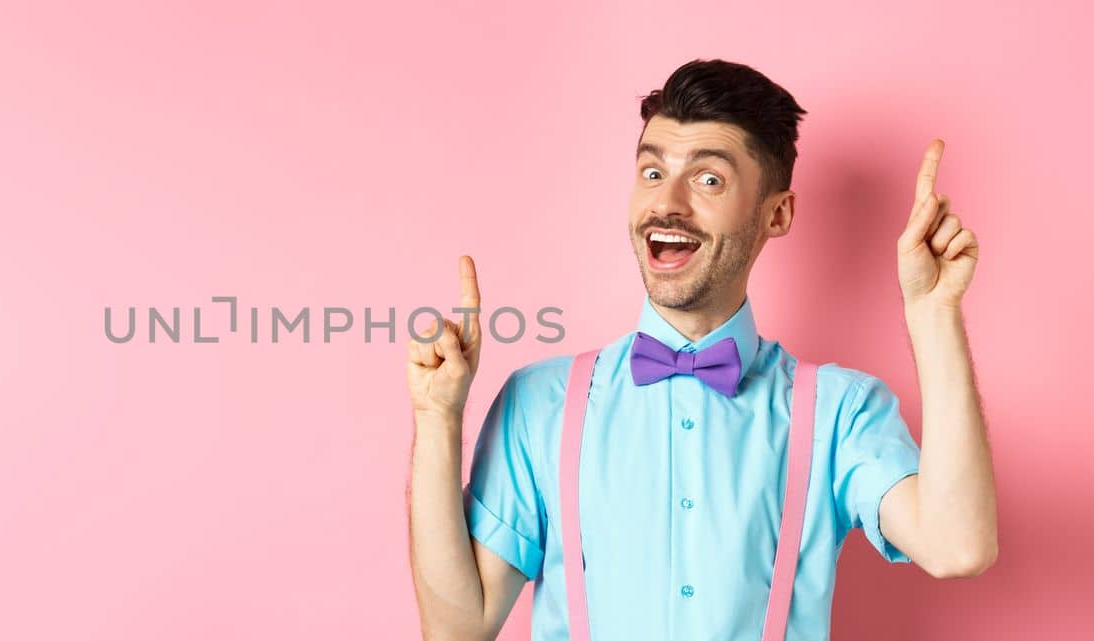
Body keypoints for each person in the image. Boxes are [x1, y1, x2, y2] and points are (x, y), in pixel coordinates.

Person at [404, 59, 997, 641]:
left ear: (778, 213)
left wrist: (934, 313)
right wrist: (437, 418)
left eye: (709, 179)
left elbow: (956, 546)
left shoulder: (840, 412)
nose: (668, 204)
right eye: (653, 173)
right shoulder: (540, 402)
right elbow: (457, 628)